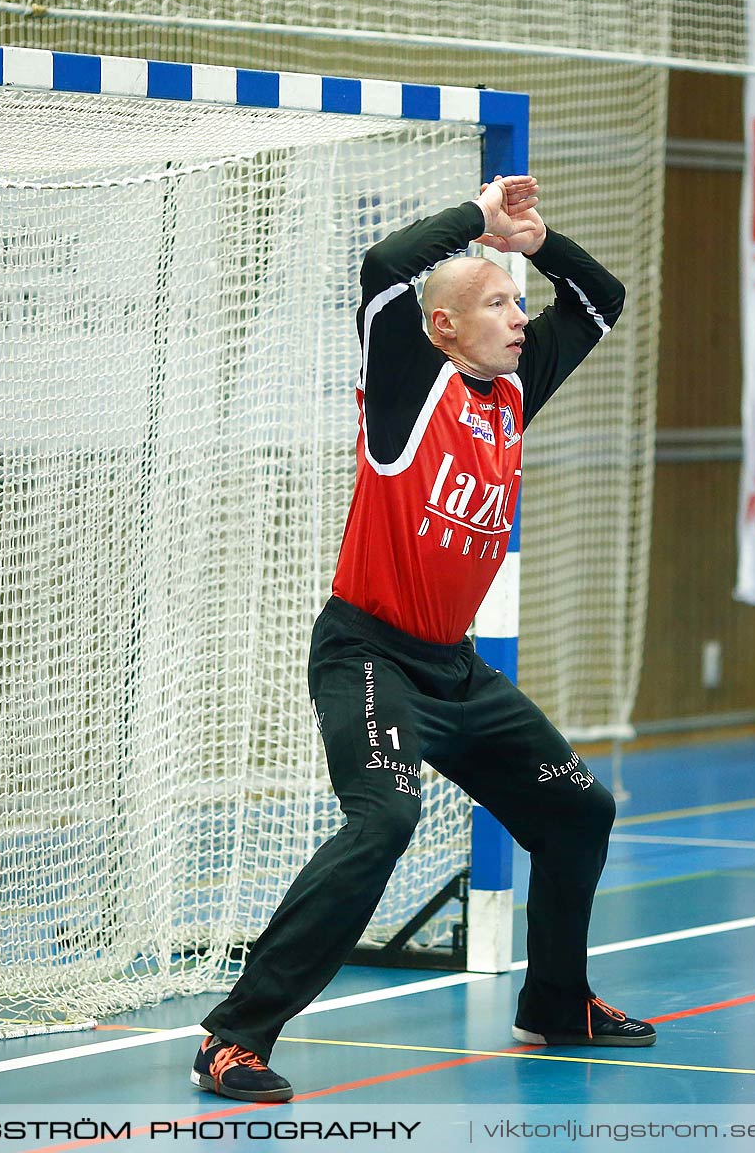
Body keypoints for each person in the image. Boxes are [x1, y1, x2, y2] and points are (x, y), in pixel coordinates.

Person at [191, 175, 652, 1104]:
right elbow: (383, 267)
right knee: (384, 819)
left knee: (579, 810)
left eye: (522, 305)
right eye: (497, 304)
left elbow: (605, 297)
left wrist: (534, 244)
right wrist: (480, 223)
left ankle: (558, 1000)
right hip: (371, 657)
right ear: (442, 326)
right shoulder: (410, 379)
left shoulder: (514, 390)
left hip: (456, 671)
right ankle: (233, 1037)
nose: (521, 317)